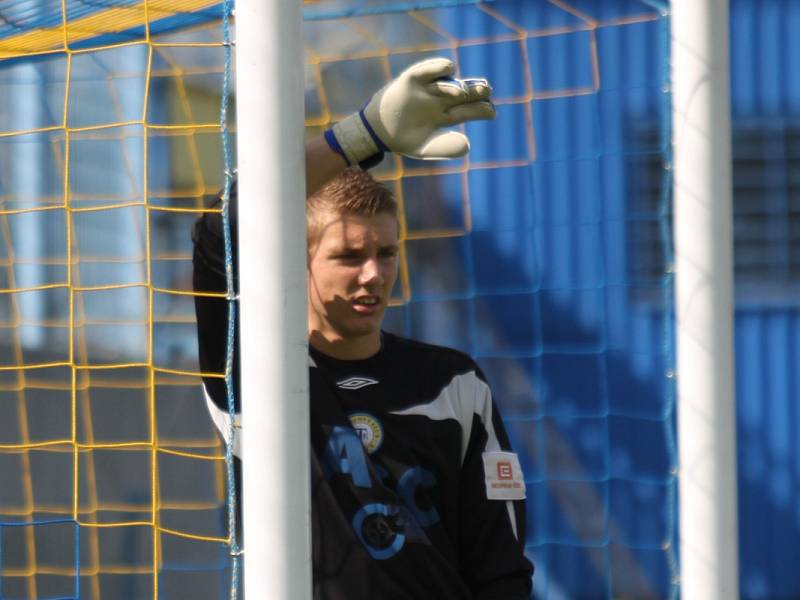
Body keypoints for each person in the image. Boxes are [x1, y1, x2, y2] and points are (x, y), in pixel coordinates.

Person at [192, 57, 533, 598]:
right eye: (349, 256)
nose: (373, 274)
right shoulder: (253, 377)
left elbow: (500, 569)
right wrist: (363, 134)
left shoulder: (454, 384)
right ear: (298, 260)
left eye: (386, 252)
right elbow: (218, 236)